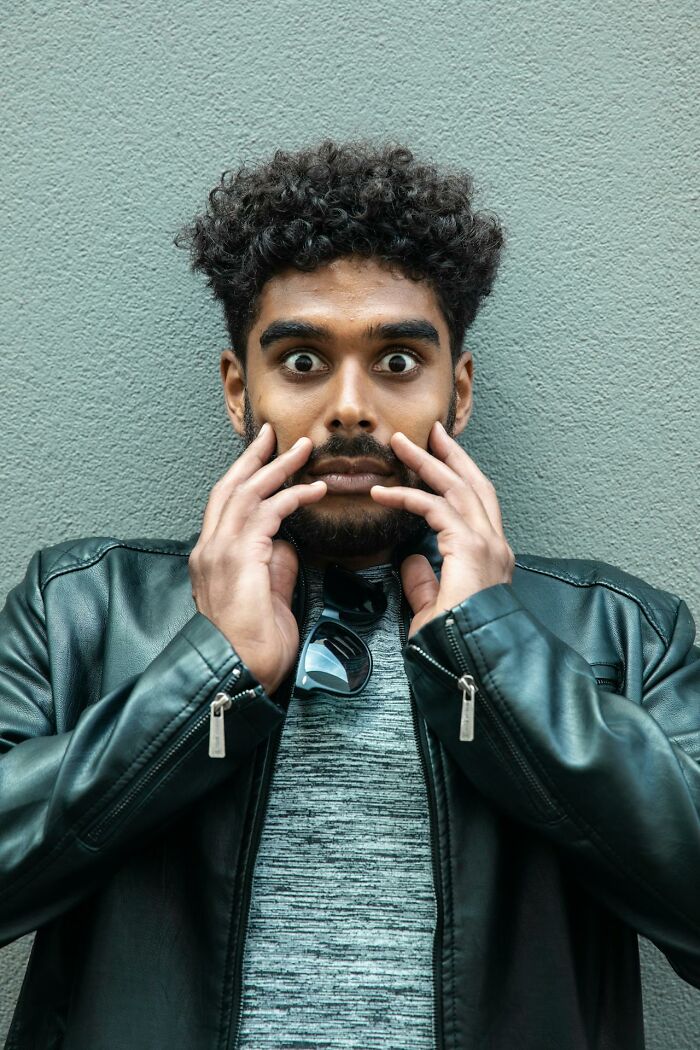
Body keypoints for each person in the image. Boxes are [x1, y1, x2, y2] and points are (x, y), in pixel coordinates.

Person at [1, 138, 698, 1050]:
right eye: (300, 362)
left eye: (400, 361)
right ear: (235, 391)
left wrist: (499, 655)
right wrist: (213, 669)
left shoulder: (624, 631)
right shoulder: (77, 608)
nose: (350, 407)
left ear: (461, 391)